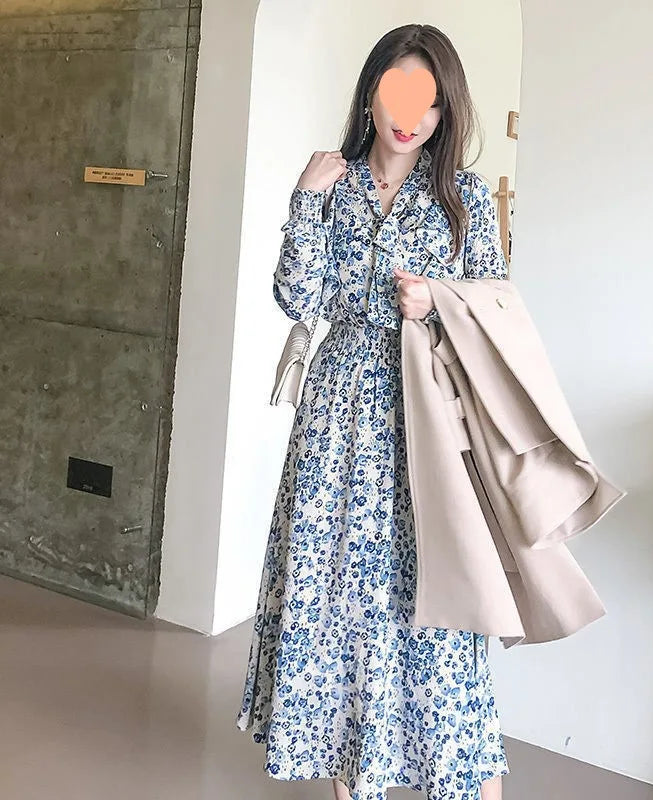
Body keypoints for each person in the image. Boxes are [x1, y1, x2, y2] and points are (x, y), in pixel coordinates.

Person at [236, 22, 510, 800]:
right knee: (338, 605)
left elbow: (497, 304)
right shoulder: (335, 184)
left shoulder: (462, 197)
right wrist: (305, 200)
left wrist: (438, 301)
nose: (410, 114)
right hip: (335, 419)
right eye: (398, 92)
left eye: (428, 100)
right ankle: (355, 778)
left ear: (445, 111)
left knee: (437, 607)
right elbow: (300, 297)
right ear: (371, 95)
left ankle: (466, 774)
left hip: (424, 420)